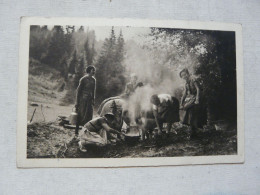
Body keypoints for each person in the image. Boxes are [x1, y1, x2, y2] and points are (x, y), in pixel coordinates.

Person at [75, 65, 96, 135]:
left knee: (89, 116)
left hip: (89, 101)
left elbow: (93, 91)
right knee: (81, 114)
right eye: (92, 70)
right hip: (83, 100)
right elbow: (78, 91)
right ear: (89, 71)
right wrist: (77, 102)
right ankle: (76, 131)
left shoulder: (93, 80)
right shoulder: (83, 79)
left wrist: (93, 99)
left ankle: (86, 131)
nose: (94, 71)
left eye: (94, 70)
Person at [179, 68, 200, 138]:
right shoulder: (186, 83)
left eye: (185, 74)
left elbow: (198, 89)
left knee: (189, 110)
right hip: (192, 97)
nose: (184, 76)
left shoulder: (193, 79)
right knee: (187, 111)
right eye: (182, 76)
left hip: (197, 96)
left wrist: (197, 99)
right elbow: (184, 94)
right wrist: (181, 103)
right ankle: (192, 131)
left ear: (188, 74)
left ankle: (193, 132)